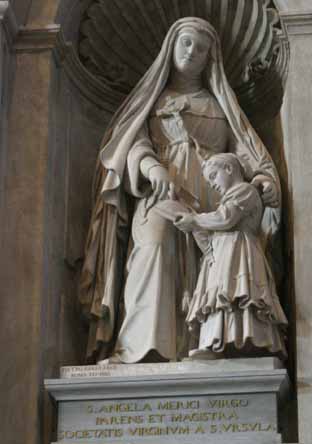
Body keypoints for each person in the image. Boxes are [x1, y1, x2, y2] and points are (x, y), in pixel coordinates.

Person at [79, 17, 282, 364]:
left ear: (210, 59)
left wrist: (262, 180)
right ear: (171, 48)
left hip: (213, 197)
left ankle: (203, 343)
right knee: (153, 248)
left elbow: (246, 149)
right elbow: (131, 143)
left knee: (214, 263)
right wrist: (152, 167)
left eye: (201, 48)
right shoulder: (151, 101)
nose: (193, 51)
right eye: (186, 43)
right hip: (160, 194)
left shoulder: (220, 104)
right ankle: (141, 347)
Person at [174, 153, 287, 360]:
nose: (212, 185)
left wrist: (195, 220)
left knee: (238, 294)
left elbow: (226, 218)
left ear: (229, 169)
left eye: (214, 176)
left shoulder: (246, 191)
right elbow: (210, 237)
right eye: (209, 181)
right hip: (223, 255)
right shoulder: (228, 200)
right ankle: (214, 342)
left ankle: (247, 338)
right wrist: (194, 228)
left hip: (240, 251)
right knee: (220, 296)